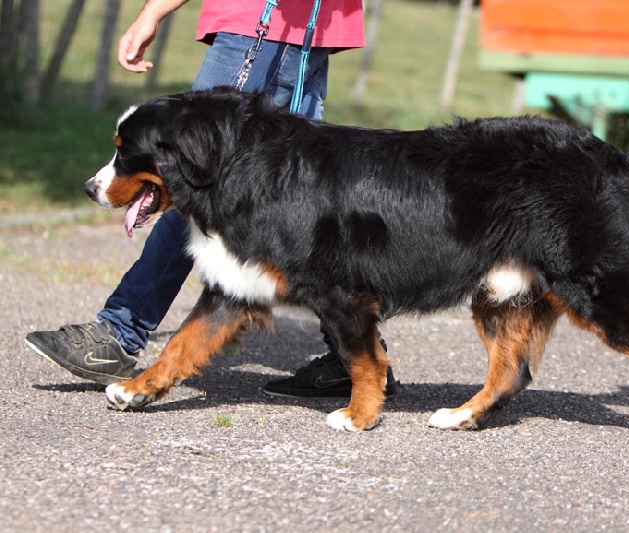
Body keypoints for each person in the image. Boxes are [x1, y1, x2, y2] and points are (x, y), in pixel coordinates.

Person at [25, 0, 398, 399]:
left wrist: (153, 12)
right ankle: (353, 353)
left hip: (265, 23)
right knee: (297, 203)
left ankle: (120, 329)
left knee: (190, 184)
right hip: (302, 29)